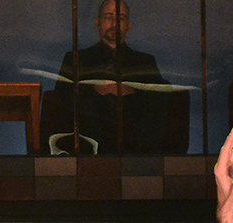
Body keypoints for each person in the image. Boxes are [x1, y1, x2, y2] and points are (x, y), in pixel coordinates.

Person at [53, 0, 171, 153]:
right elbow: (61, 95)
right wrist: (95, 90)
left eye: (121, 18)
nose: (114, 23)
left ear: (128, 26)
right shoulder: (76, 59)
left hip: (136, 143)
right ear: (98, 23)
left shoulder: (144, 62)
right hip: (87, 143)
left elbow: (160, 96)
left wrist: (132, 91)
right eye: (108, 17)